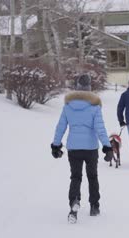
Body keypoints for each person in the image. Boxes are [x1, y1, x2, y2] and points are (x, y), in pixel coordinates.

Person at [51, 79, 113, 224]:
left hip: (74, 147)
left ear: (77, 89)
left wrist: (56, 145)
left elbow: (60, 127)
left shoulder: (68, 107)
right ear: (89, 89)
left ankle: (74, 202)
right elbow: (100, 129)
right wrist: (107, 147)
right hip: (90, 148)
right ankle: (94, 206)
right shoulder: (94, 106)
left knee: (76, 177)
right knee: (92, 177)